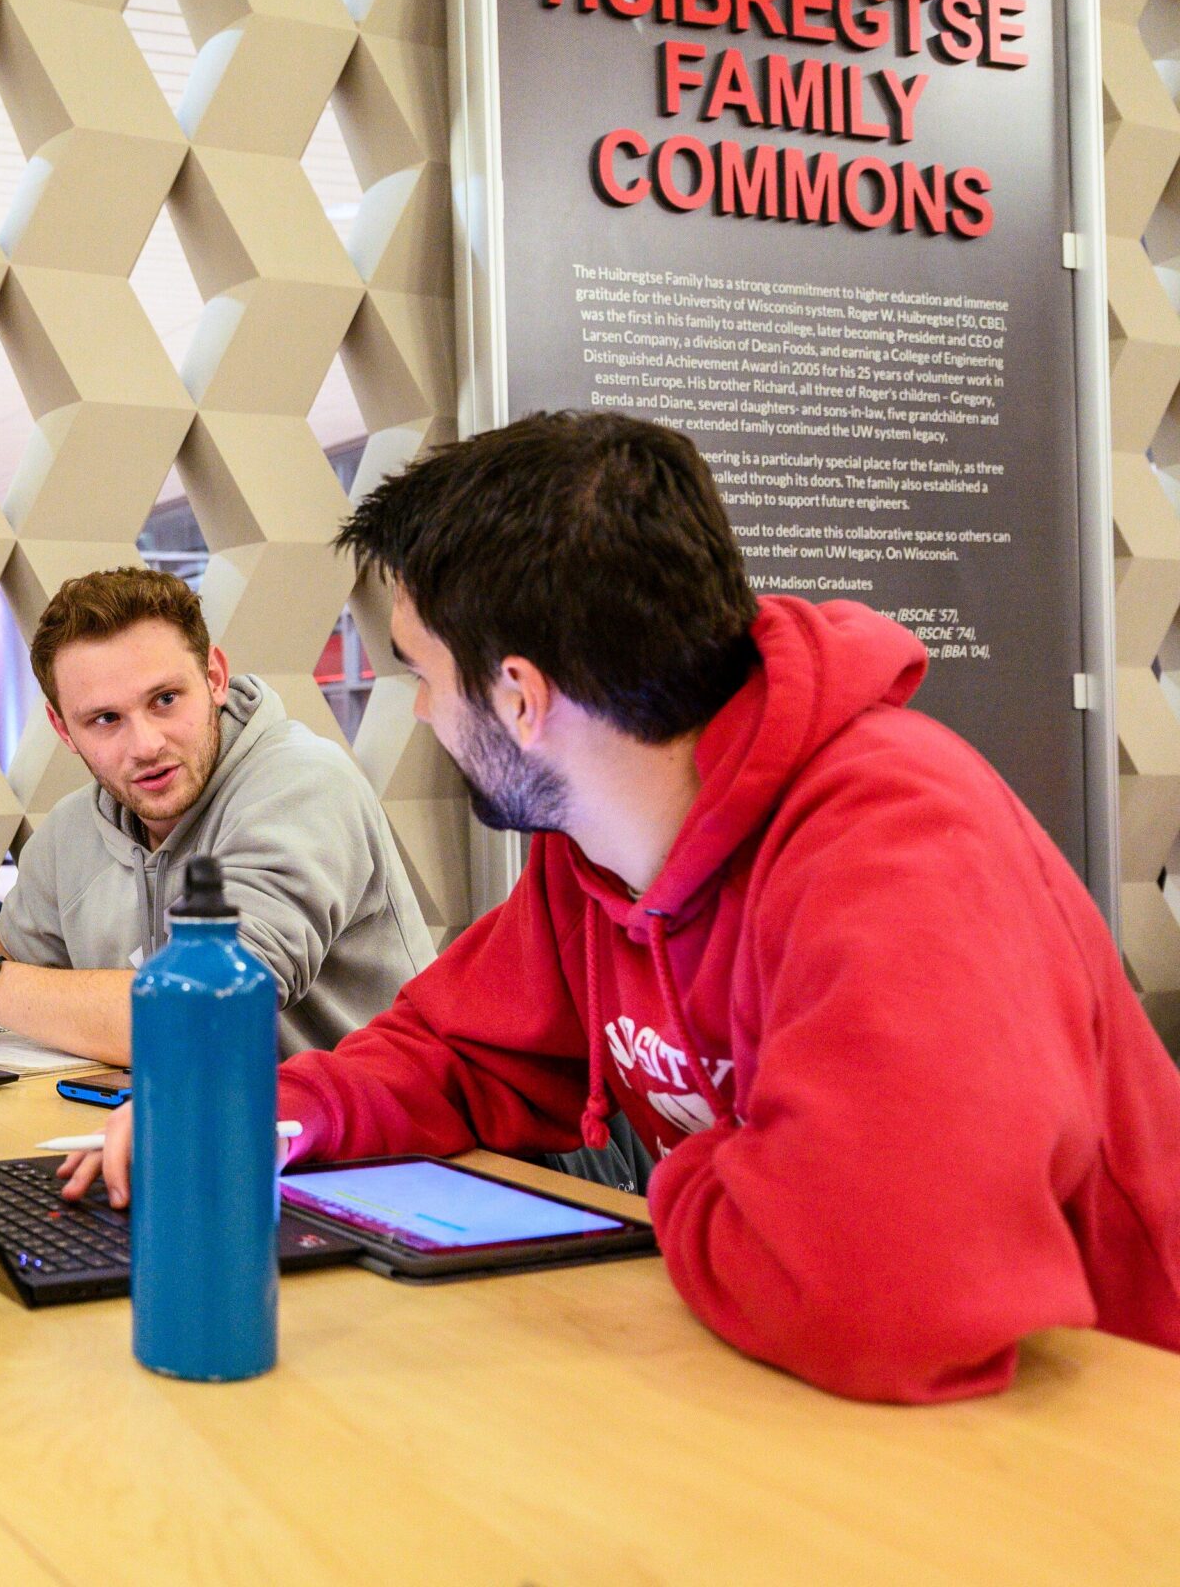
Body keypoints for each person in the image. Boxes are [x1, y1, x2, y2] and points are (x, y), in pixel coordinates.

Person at [61, 411, 1180, 1403]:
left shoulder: (897, 839)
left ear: (519, 695)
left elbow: (877, 1295)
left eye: (421, 674)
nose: (421, 713)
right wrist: (259, 1119)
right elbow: (456, 1053)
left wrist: (703, 1170)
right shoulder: (593, 852)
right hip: (823, 1405)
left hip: (1100, 1419)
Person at [0, 567, 432, 1064]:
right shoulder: (72, 830)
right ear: (64, 730)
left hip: (359, 1156)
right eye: (105, 719)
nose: (146, 744)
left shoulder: (304, 785)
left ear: (214, 678)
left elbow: (206, 1019)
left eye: (165, 699)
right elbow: (14, 954)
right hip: (167, 1131)